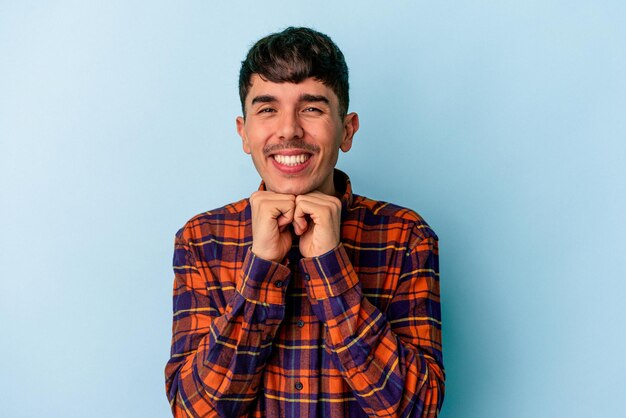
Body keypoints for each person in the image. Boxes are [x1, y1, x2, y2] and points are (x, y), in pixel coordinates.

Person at [165, 27, 445, 417]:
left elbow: (418, 408)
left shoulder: (406, 237)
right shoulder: (200, 240)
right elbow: (194, 411)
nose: (289, 129)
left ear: (347, 130)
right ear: (244, 133)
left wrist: (331, 267)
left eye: (312, 108)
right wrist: (260, 269)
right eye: (267, 109)